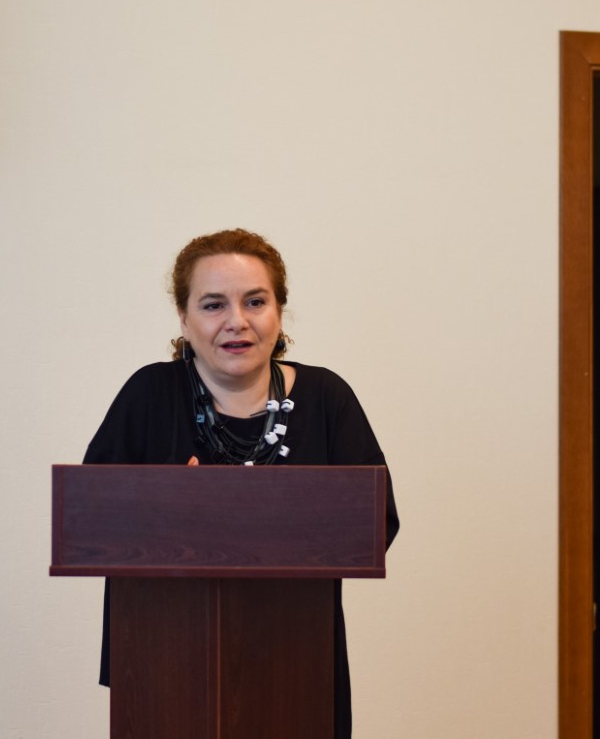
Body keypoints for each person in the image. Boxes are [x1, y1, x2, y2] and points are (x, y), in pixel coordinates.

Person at [83, 227, 399, 738]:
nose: (237, 321)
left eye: (255, 301)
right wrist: (169, 508)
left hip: (297, 660)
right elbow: (91, 517)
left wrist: (222, 516)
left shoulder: (327, 398)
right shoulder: (149, 394)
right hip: (163, 657)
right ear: (184, 318)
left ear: (279, 311)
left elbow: (376, 521)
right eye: (213, 305)